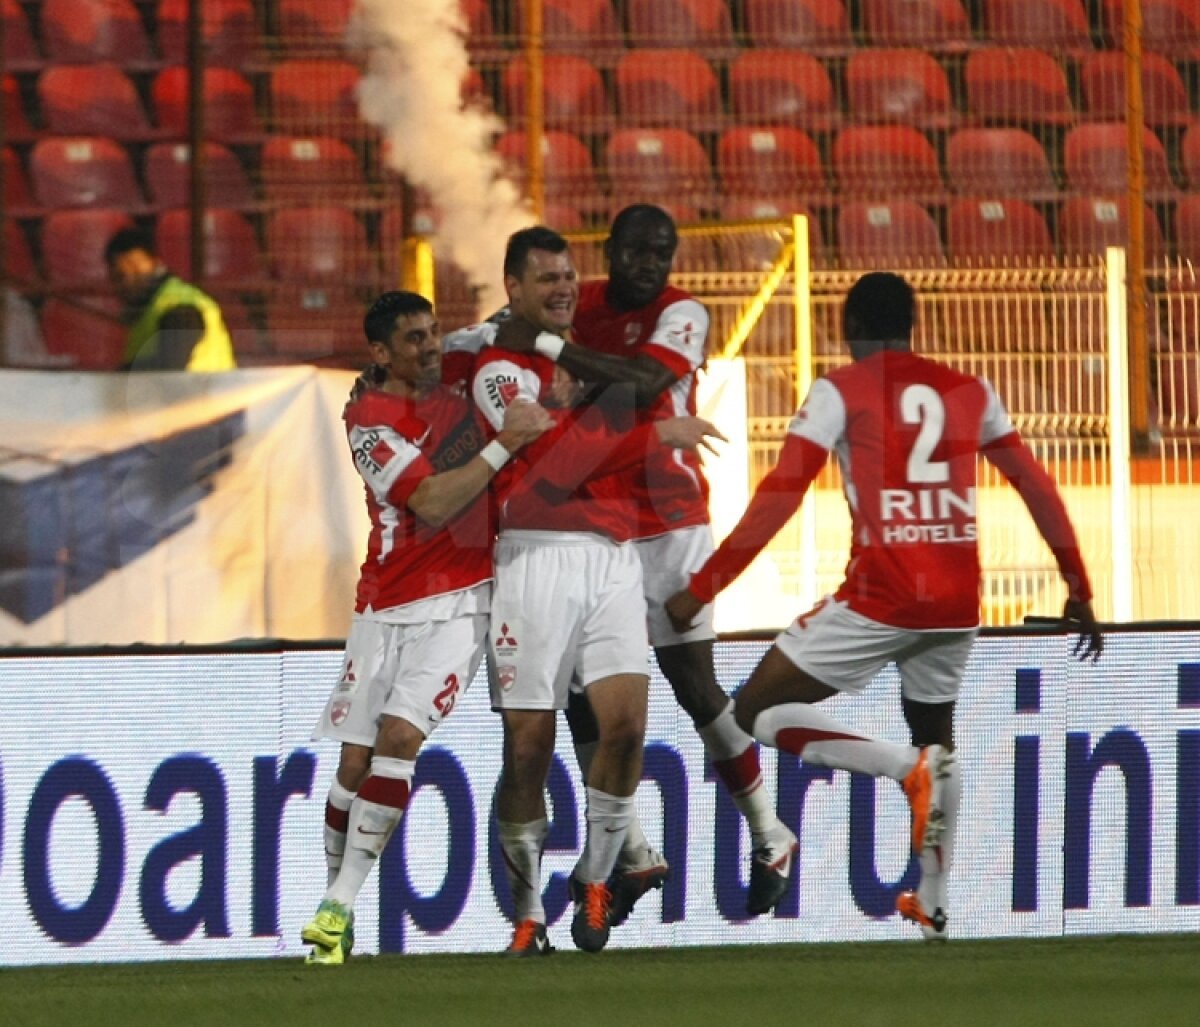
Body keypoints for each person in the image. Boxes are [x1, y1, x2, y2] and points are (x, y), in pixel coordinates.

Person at [666, 271, 1104, 941]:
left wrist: (702, 588)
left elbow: (781, 496)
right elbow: (1034, 484)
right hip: (957, 600)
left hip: (880, 594)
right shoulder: (970, 389)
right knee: (938, 737)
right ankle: (932, 903)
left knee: (751, 712)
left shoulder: (839, 391)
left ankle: (904, 770)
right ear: (913, 324)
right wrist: (1077, 586)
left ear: (847, 329)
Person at [491, 204, 798, 922]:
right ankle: (631, 848)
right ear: (614, 250)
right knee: (576, 686)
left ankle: (769, 831)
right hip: (602, 523)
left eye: (662, 251)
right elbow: (515, 347)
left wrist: (548, 346)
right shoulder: (581, 302)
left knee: (690, 680)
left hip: (670, 521)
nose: (648, 262)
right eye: (635, 249)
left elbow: (643, 381)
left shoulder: (683, 312)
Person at [469, 226, 724, 956]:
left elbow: (636, 389)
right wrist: (653, 435)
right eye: (545, 278)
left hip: (614, 556)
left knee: (626, 728)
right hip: (534, 556)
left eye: (569, 276)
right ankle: (525, 915)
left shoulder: (584, 359)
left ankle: (599, 874)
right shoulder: (496, 369)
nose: (563, 287)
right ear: (513, 288)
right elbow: (551, 465)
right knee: (528, 746)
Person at [301, 290, 551, 966]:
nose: (431, 346)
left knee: (399, 737)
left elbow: (509, 320)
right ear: (380, 353)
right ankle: (336, 903)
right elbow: (435, 501)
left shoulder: (464, 359)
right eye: (413, 339)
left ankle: (338, 906)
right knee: (353, 764)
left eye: (434, 332)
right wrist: (506, 443)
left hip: (462, 599)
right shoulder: (368, 423)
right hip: (382, 604)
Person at [104, 227, 236, 371]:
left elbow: (171, 364)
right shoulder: (148, 312)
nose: (126, 283)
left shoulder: (179, 305)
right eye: (118, 278)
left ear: (155, 263)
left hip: (201, 392)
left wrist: (119, 376)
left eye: (134, 271)